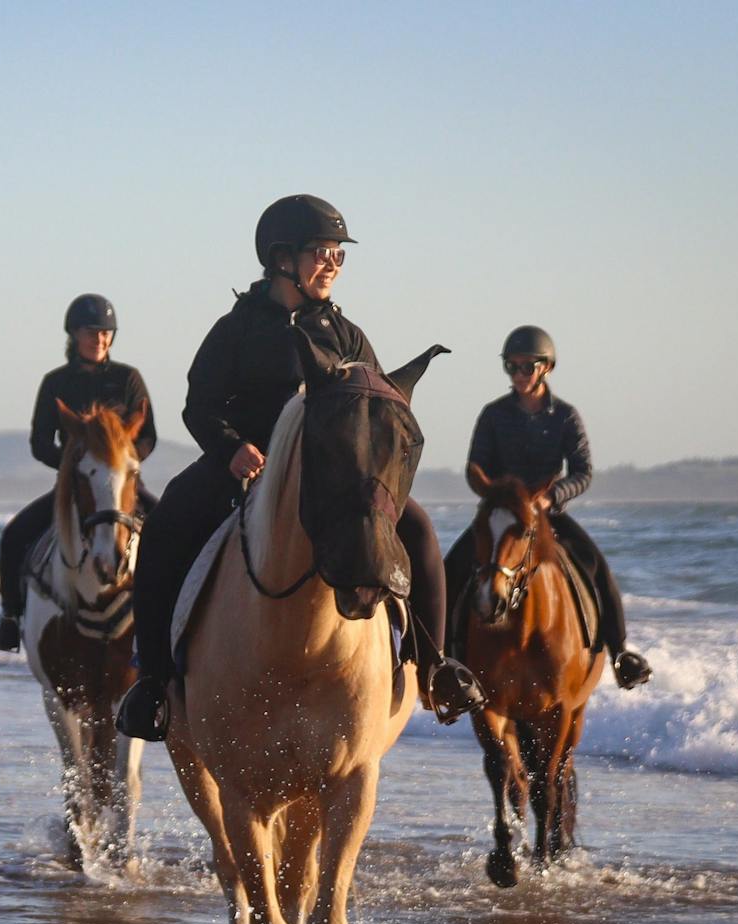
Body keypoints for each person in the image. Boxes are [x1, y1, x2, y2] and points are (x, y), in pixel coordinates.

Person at [115, 195, 484, 740]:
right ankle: (153, 682)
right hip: (246, 468)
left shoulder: (346, 334)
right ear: (281, 257)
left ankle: (434, 666)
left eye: (338, 254)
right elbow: (199, 406)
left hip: (332, 479)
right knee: (169, 520)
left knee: (420, 530)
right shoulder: (236, 328)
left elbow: (373, 409)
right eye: (321, 252)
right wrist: (232, 448)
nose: (333, 263)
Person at [443, 326, 651, 689]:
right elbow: (475, 465)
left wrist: (550, 497)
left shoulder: (566, 416)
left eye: (527, 367)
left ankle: (621, 654)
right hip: (502, 516)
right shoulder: (493, 415)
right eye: (512, 367)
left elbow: (583, 472)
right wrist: (495, 495)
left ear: (547, 368)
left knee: (595, 566)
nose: (519, 374)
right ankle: (445, 663)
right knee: (452, 569)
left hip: (546, 513)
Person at [0, 293, 159, 651]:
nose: (100, 340)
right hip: (76, 487)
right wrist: (74, 468)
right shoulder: (56, 383)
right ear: (74, 335)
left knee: (169, 529)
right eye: (92, 332)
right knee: (14, 536)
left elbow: (149, 435)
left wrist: (121, 464)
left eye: (106, 333)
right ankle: (10, 618)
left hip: (121, 487)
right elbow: (39, 442)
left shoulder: (128, 379)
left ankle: (171, 616)